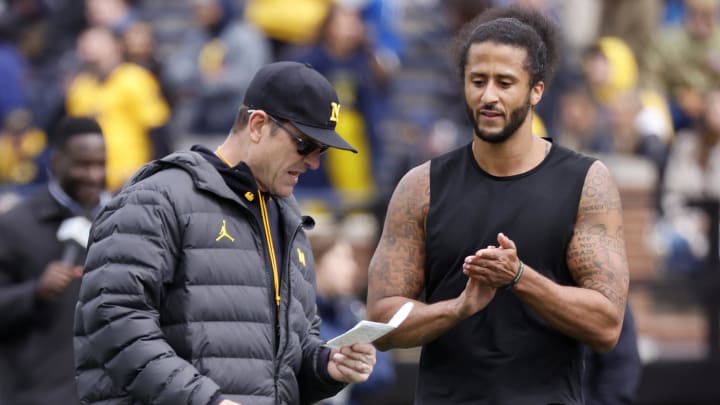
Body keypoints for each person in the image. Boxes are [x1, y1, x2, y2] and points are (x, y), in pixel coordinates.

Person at [366, 5, 630, 404]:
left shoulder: (585, 183)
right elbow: (381, 323)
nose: (488, 95)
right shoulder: (422, 186)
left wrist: (521, 278)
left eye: (505, 82)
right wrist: (456, 309)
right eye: (478, 81)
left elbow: (607, 325)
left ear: (536, 90)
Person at [74, 61, 377, 405]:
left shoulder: (287, 216)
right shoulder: (156, 198)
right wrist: (208, 401)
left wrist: (326, 366)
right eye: (305, 144)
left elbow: (287, 354)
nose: (314, 162)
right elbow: (115, 324)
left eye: (321, 150)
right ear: (258, 125)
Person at [0, 116, 107, 405]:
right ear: (57, 161)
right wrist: (35, 291)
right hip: (34, 393)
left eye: (100, 164)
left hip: (101, 393)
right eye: (83, 165)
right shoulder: (14, 226)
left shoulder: (118, 224)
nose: (94, 176)